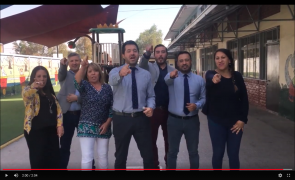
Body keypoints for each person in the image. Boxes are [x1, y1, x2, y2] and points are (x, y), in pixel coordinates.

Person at [109, 40, 155, 171]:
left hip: (141, 119)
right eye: (128, 51)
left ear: (138, 53)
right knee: (120, 157)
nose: (132, 53)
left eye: (134, 51)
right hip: (121, 119)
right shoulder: (115, 71)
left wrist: (151, 107)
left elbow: (151, 95)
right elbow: (111, 81)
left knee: (148, 156)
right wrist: (120, 74)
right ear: (123, 55)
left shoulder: (145, 74)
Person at [201, 48, 249, 171]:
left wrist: (242, 120)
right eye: (217, 58)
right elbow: (210, 80)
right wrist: (214, 80)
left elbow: (244, 99)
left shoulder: (236, 76)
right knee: (218, 153)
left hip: (235, 123)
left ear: (229, 60)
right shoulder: (210, 74)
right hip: (216, 121)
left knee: (233, 154)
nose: (220, 60)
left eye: (223, 57)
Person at [164, 51, 206, 170]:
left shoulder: (199, 80)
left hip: (192, 121)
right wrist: (171, 75)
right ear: (177, 63)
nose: (184, 63)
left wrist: (197, 105)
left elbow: (203, 98)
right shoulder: (171, 77)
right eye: (181, 61)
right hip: (174, 121)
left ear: (191, 61)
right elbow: (166, 81)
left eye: (186, 60)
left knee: (193, 152)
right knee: (172, 152)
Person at [56, 52, 95, 169]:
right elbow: (61, 72)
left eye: (76, 60)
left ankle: (90, 167)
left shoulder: (87, 74)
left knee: (87, 144)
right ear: (68, 62)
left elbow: (91, 95)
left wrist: (77, 98)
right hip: (67, 115)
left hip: (82, 115)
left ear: (80, 61)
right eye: (71, 61)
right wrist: (62, 65)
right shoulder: (65, 75)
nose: (74, 63)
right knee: (64, 145)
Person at [139, 44, 174, 169]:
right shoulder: (149, 67)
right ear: (154, 54)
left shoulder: (172, 70)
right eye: (157, 52)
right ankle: (154, 165)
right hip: (152, 110)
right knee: (151, 140)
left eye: (163, 52)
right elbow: (141, 65)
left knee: (169, 141)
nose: (160, 54)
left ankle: (169, 164)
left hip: (169, 110)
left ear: (166, 54)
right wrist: (146, 54)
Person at [74, 56, 113, 170]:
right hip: (86, 126)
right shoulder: (85, 86)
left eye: (95, 71)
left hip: (104, 126)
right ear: (86, 74)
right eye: (90, 71)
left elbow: (111, 106)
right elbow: (76, 81)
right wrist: (83, 67)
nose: (93, 74)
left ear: (100, 73)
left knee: (103, 156)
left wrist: (107, 123)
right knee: (87, 157)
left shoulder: (107, 88)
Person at [22, 66, 64, 169]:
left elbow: (58, 111)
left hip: (51, 132)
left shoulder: (51, 95)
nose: (42, 79)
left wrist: (60, 125)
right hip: (36, 132)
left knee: (54, 161)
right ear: (34, 78)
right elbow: (26, 95)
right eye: (39, 76)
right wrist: (34, 86)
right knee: (38, 161)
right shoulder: (30, 91)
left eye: (44, 76)